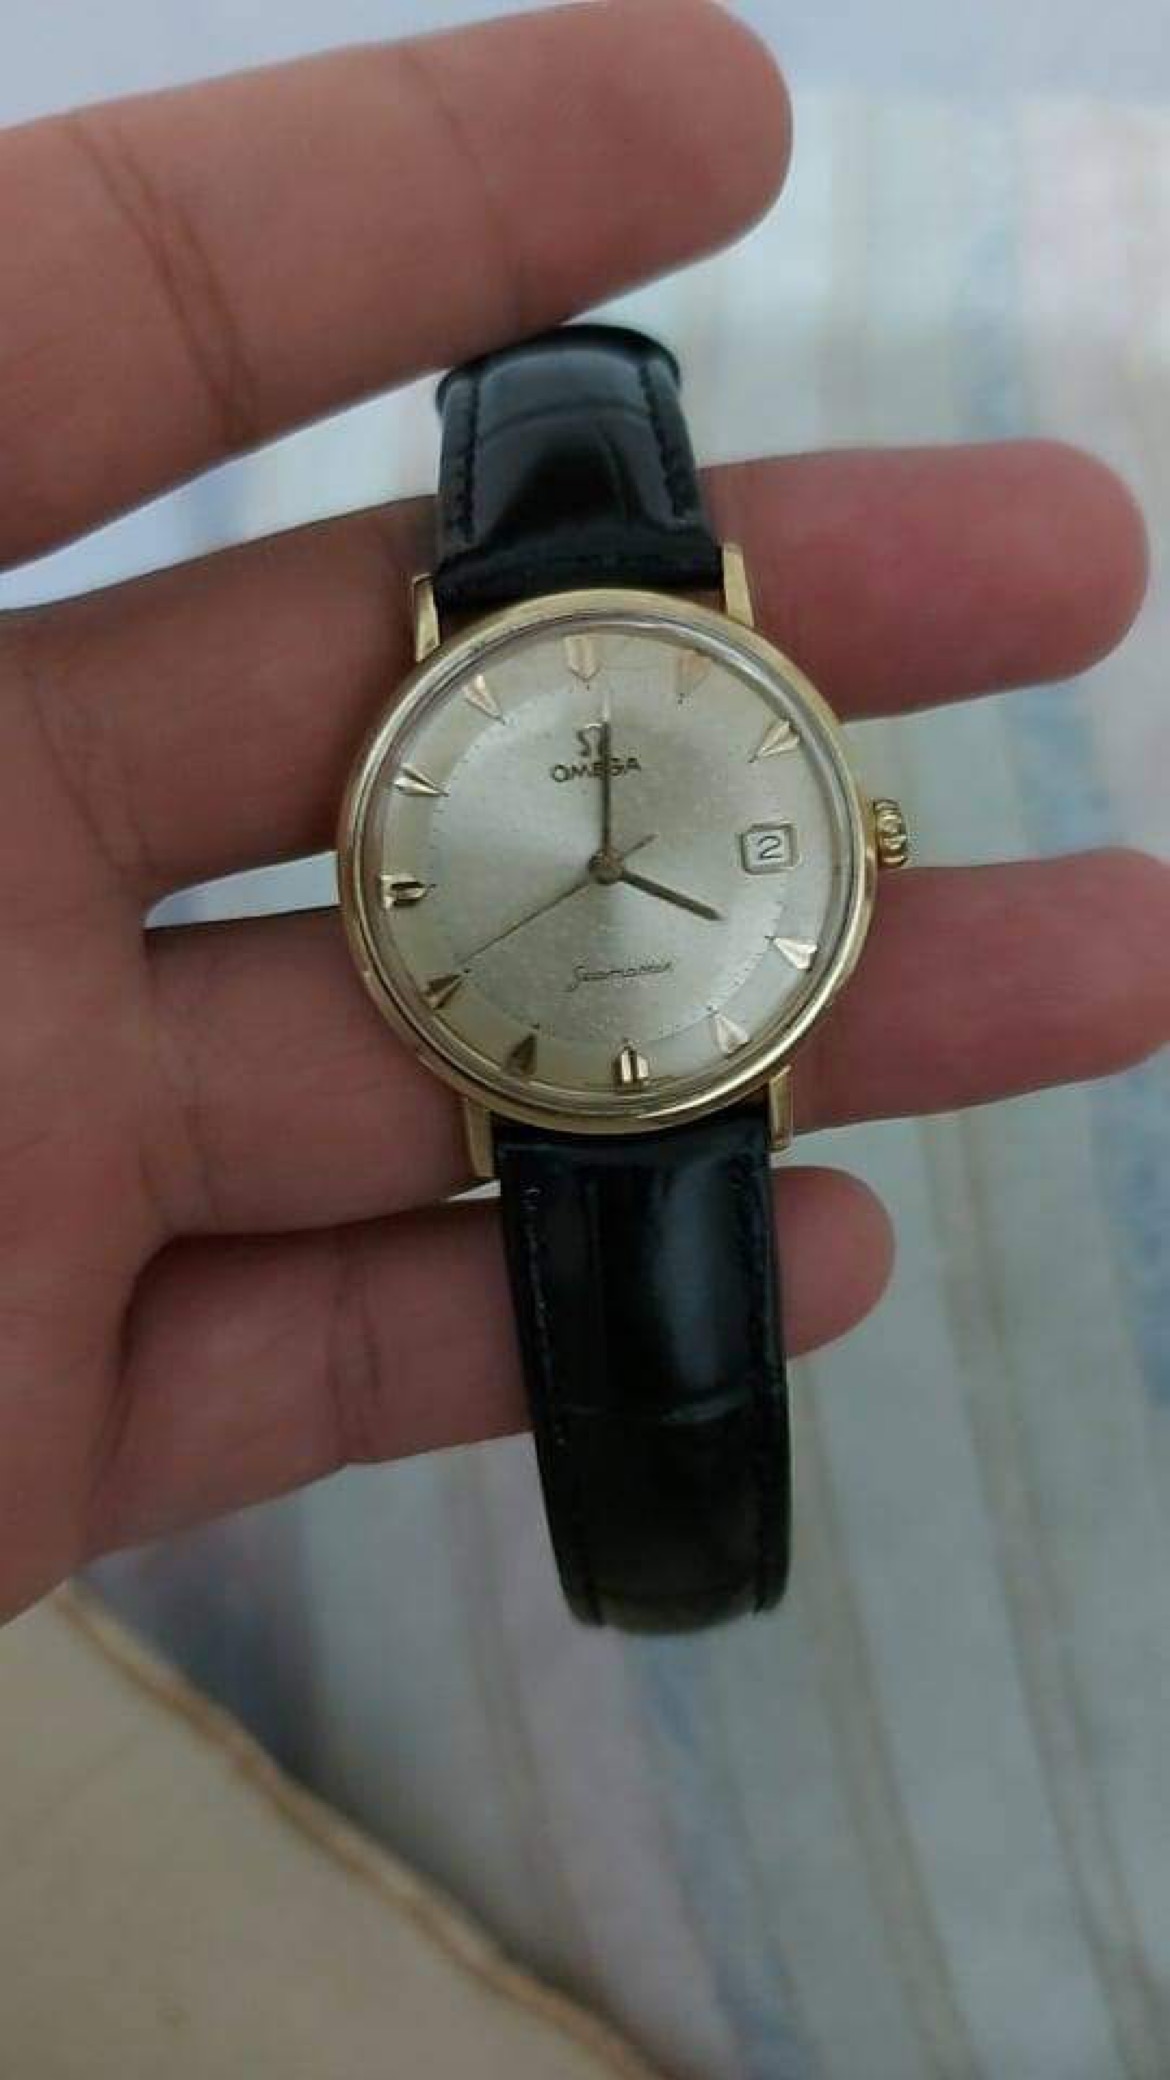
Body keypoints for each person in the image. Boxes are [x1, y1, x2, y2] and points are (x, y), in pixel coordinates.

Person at [0, 0, 1163, 1627]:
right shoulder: (486, 716)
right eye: (589, 855)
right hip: (571, 1059)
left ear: (856, 841)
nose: (606, 859)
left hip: (641, 1047)